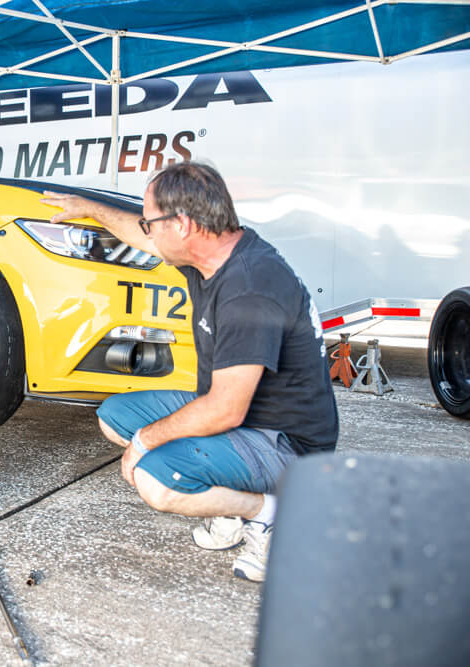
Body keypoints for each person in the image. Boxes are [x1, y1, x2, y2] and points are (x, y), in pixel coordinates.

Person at [41, 163, 338, 582]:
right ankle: (231, 507)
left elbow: (226, 410)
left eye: (151, 222)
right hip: (247, 416)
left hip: (287, 442)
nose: (147, 231)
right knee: (115, 416)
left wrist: (145, 441)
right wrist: (90, 208)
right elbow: (139, 235)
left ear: (182, 224)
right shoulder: (212, 254)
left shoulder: (250, 288)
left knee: (156, 481)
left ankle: (266, 512)